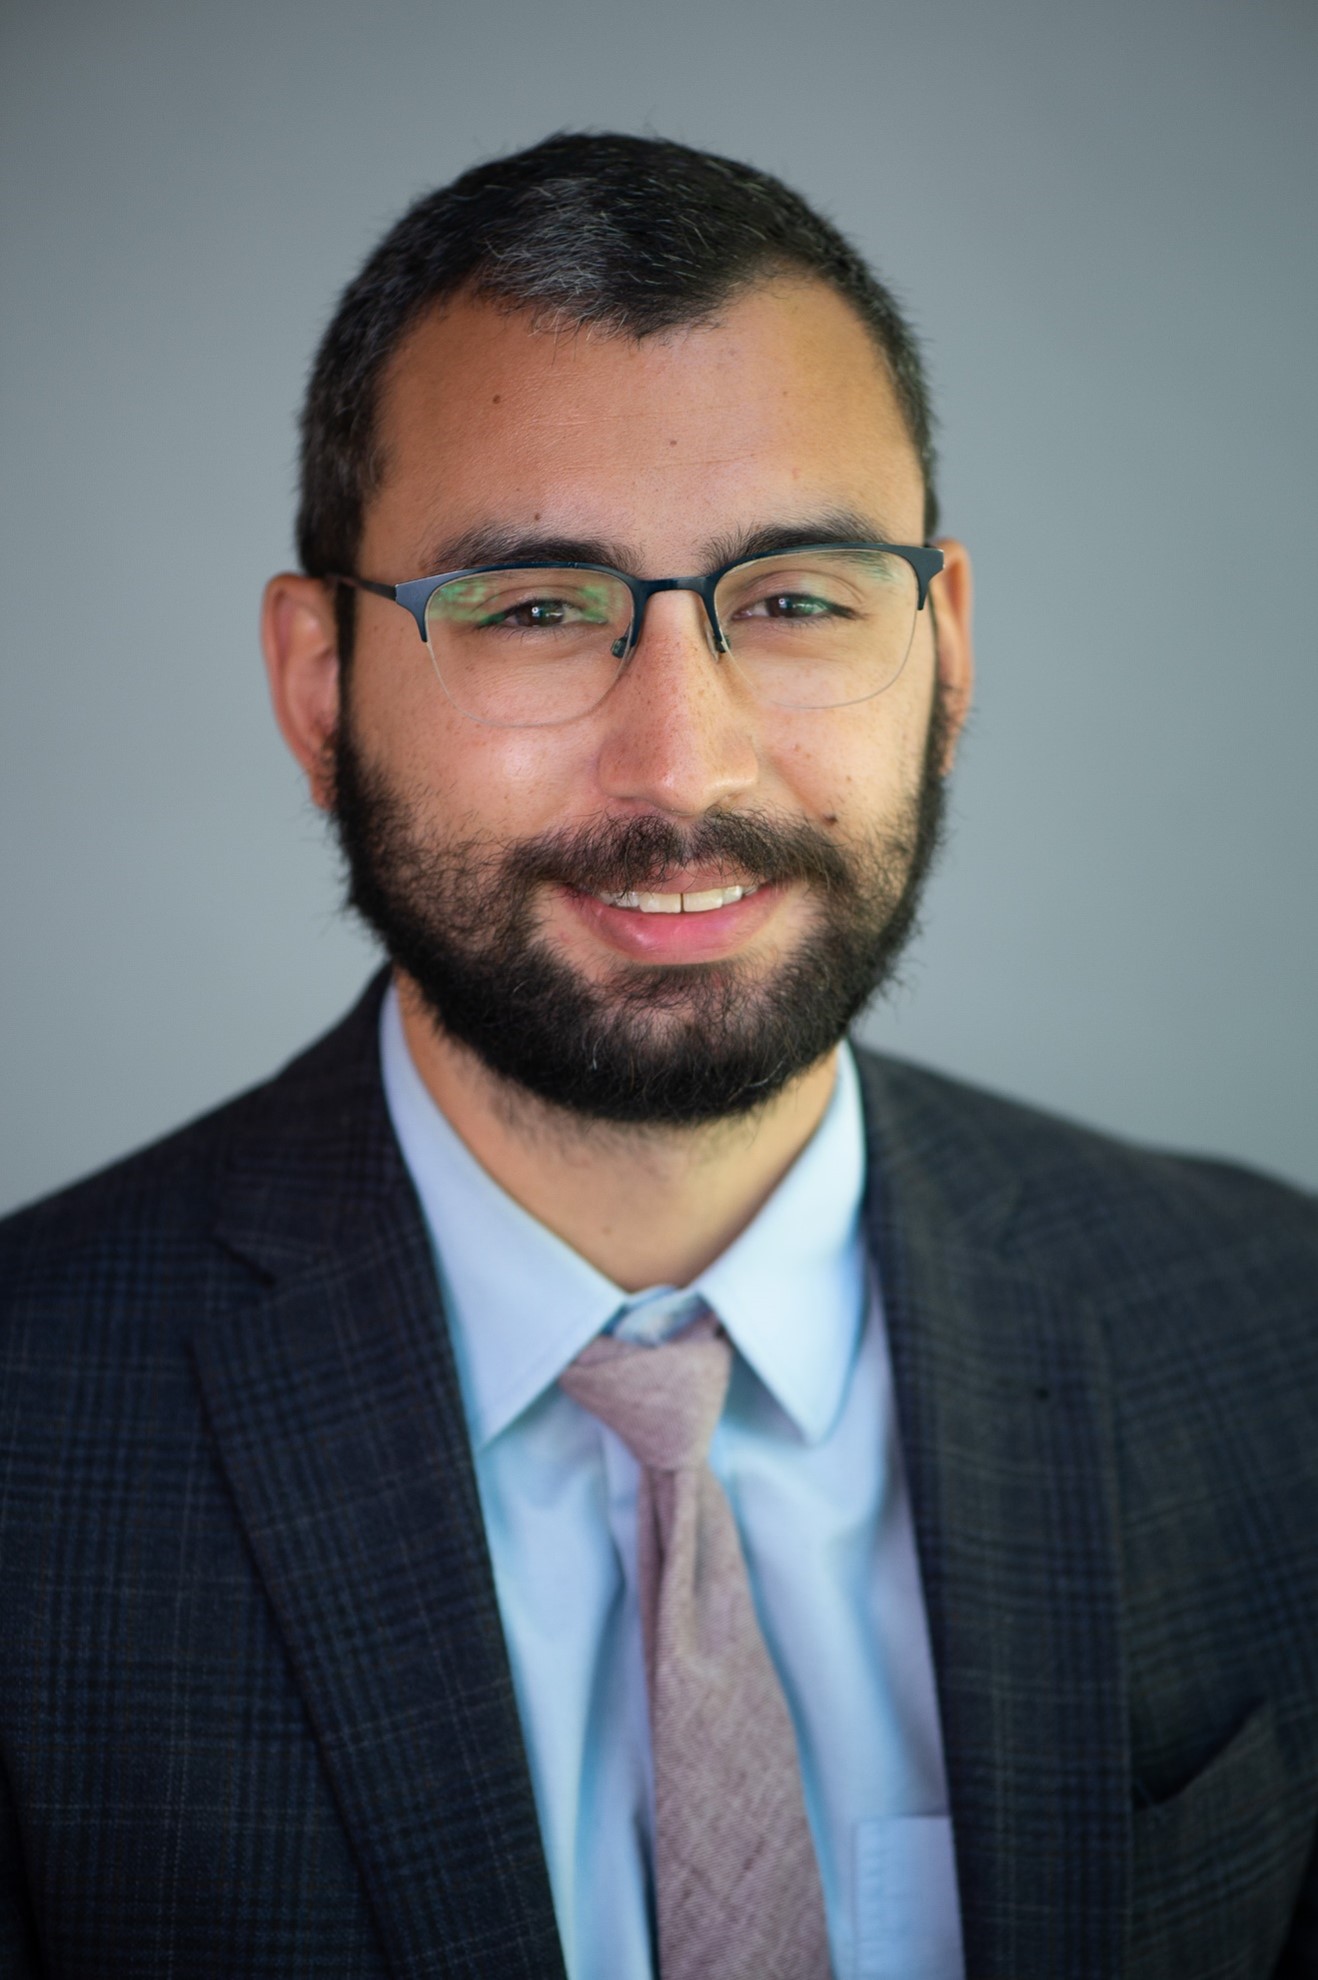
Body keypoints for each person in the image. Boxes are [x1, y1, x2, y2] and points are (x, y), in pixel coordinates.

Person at [0, 131, 1314, 1980]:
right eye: (534, 610)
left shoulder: (1277, 1340)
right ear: (319, 692)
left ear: (940, 649)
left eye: (794, 598)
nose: (683, 770)